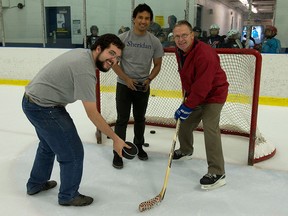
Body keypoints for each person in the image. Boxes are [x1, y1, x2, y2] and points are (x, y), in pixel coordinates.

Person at [22, 34, 129, 206]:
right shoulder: (85, 70)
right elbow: (92, 113)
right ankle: (68, 195)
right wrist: (115, 139)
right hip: (43, 108)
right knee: (73, 152)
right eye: (111, 53)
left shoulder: (83, 54)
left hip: (31, 102)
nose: (114, 60)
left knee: (48, 145)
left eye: (117, 58)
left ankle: (35, 184)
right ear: (98, 48)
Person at [172, 20, 229, 190]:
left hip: (214, 94)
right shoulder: (180, 50)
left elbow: (203, 85)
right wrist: (187, 102)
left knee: (210, 128)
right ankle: (186, 150)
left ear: (192, 35)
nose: (181, 39)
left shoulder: (205, 54)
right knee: (184, 122)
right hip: (197, 94)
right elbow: (188, 76)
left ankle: (218, 172)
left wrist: (188, 105)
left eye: (184, 35)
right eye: (177, 36)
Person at [111, 3, 164, 169]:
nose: (143, 21)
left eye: (147, 18)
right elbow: (113, 63)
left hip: (143, 87)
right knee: (122, 120)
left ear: (150, 21)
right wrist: (126, 79)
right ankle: (118, 152)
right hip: (124, 86)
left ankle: (139, 146)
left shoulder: (154, 42)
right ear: (134, 19)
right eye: (140, 17)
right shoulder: (122, 39)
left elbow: (157, 65)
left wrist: (148, 80)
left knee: (140, 119)